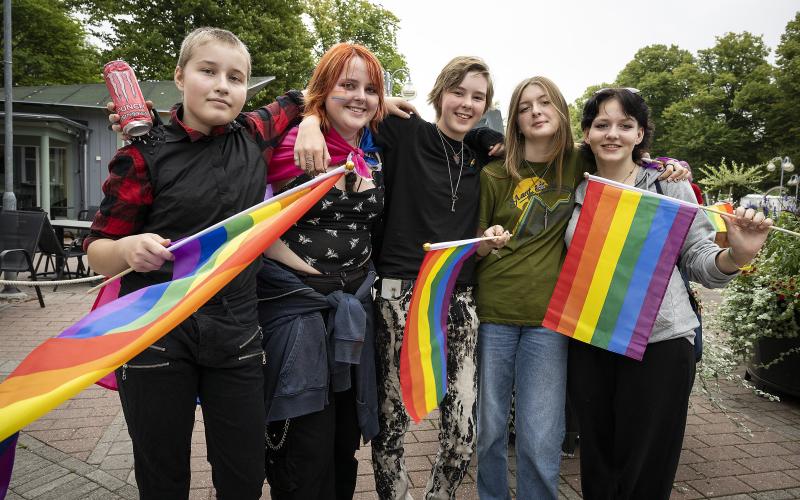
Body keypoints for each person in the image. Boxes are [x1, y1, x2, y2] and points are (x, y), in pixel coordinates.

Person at [85, 27, 304, 499]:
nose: (223, 85)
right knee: (162, 477)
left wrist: (311, 120)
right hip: (155, 334)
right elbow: (97, 250)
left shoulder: (255, 132)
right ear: (180, 77)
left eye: (236, 77)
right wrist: (127, 250)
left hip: (237, 336)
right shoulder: (141, 155)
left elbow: (312, 94)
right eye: (209, 72)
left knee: (244, 474)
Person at [296, 56, 508, 500]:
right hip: (398, 294)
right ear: (440, 93)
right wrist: (309, 122)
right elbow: (344, 108)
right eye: (459, 92)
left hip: (461, 296)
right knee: (393, 423)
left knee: (462, 432)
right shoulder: (405, 131)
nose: (466, 104)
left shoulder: (482, 157)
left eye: (478, 96)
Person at [475, 77, 689, 500]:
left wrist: (671, 163)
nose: (536, 112)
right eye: (525, 106)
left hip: (554, 319)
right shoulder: (493, 172)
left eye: (545, 103)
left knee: (542, 433)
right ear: (514, 120)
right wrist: (485, 241)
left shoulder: (579, 162)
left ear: (561, 112)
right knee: (491, 429)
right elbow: (475, 241)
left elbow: (630, 156)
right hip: (495, 313)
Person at [567, 87, 772, 499]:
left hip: (658, 343)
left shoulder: (666, 185)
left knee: (646, 470)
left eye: (625, 125)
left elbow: (699, 260)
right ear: (586, 133)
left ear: (640, 133)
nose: (613, 134)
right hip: (592, 338)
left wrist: (737, 255)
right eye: (602, 124)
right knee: (599, 467)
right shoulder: (574, 187)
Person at [256, 42, 387, 500]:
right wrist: (313, 275)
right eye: (347, 85)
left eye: (370, 89)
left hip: (352, 313)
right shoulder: (295, 144)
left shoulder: (369, 151)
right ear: (323, 90)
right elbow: (256, 225)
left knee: (342, 441)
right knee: (303, 445)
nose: (360, 97)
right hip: (297, 313)